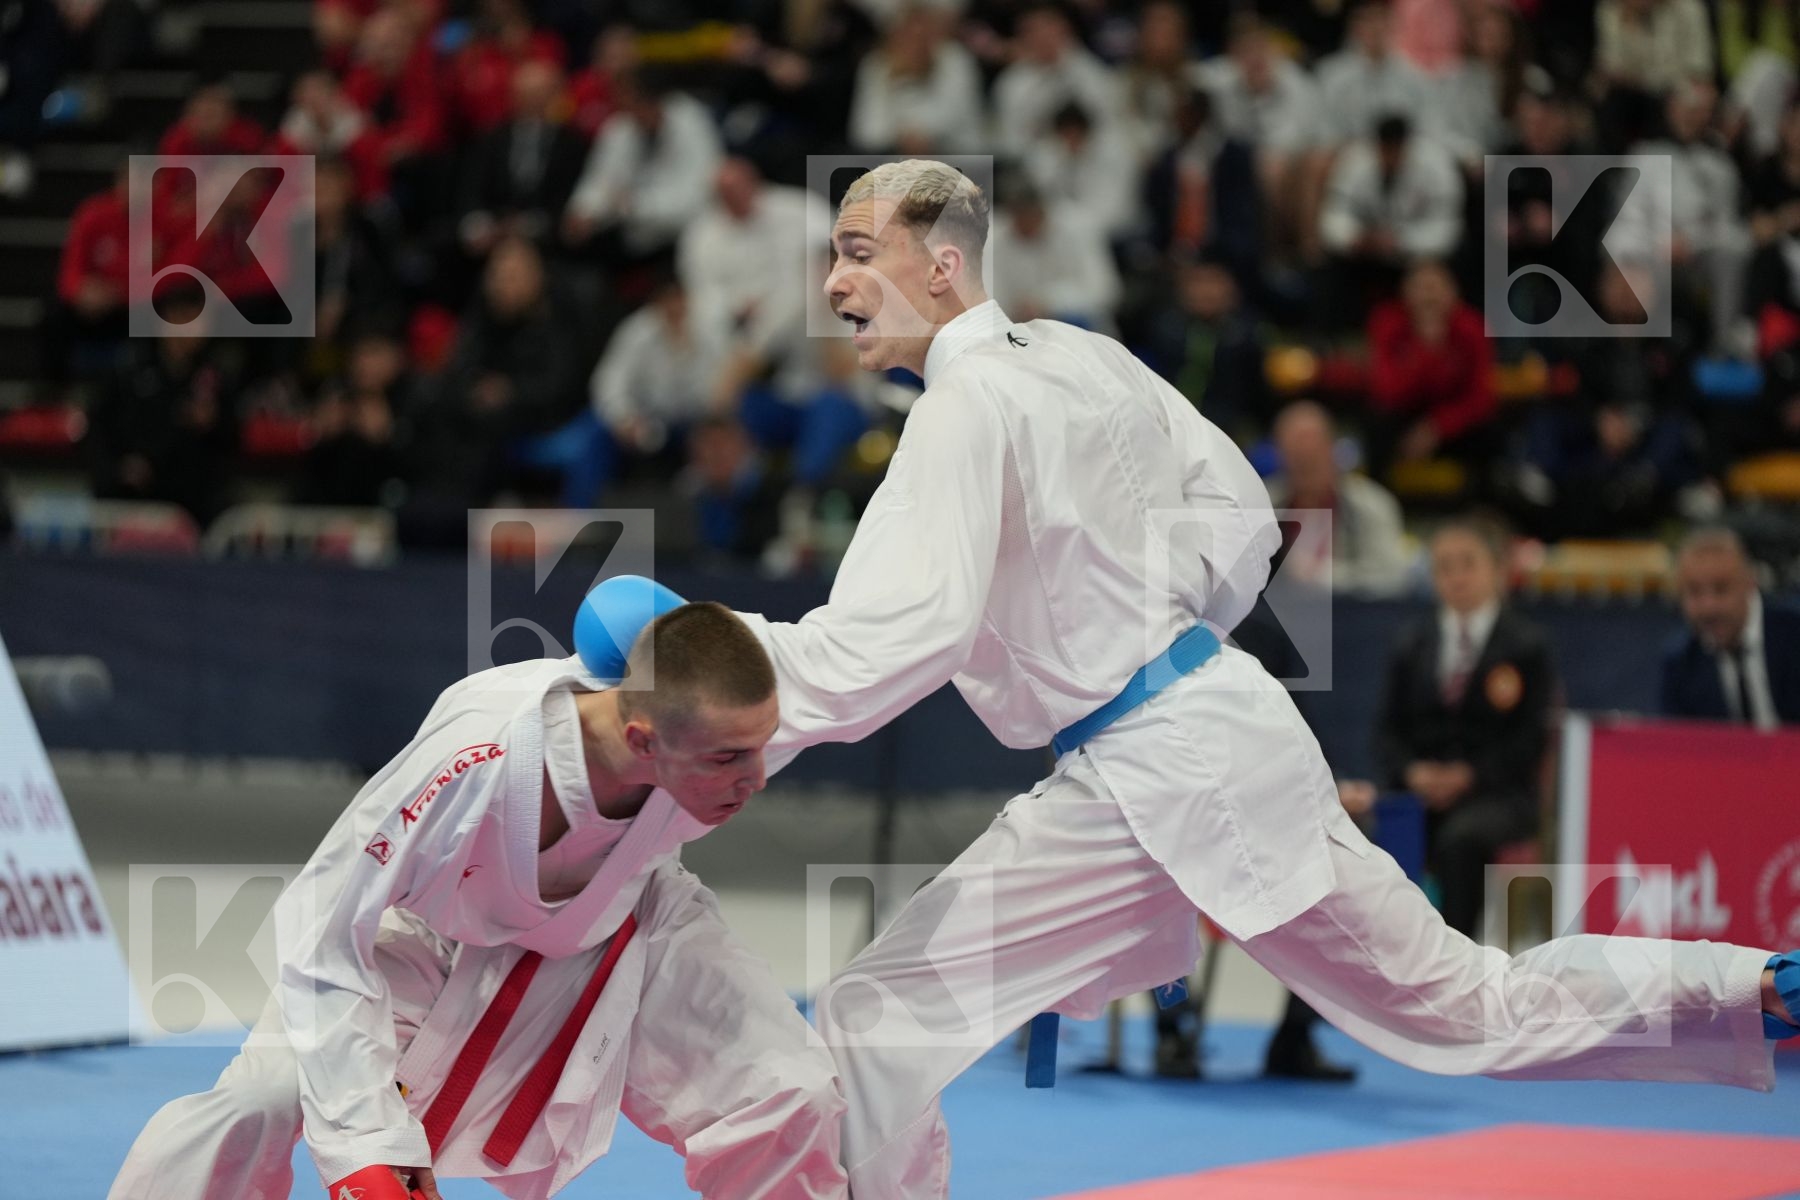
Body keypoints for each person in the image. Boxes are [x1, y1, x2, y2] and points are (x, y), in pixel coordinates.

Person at [725, 160, 1800, 1198]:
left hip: (1150, 762)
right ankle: (1757, 986)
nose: (835, 283)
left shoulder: (960, 409)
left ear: (945, 264)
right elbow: (1242, 508)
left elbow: (892, 641)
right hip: (1220, 719)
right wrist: (1167, 626)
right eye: (834, 256)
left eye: (860, 253)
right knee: (1469, 1006)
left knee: (876, 1016)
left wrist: (701, 694)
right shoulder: (1081, 355)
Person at [107, 601, 848, 1199]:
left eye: (764, 746)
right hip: (431, 938)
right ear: (641, 738)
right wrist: (365, 1150)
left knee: (792, 1091)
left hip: (631, 916)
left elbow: (877, 645)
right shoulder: (478, 756)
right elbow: (321, 927)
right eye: (727, 759)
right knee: (257, 1105)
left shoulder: (730, 704)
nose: (755, 777)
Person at [1374, 516, 1557, 938]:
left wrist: (1468, 776)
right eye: (1444, 567)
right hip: (1421, 791)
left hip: (1499, 795)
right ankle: (1360, 980)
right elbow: (1386, 732)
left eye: (1467, 564)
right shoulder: (1412, 644)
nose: (1456, 577)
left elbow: (1530, 739)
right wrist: (1412, 772)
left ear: (1496, 570)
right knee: (1362, 830)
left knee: (1461, 839)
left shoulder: (1525, 645)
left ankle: (1456, 967)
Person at [1661, 526, 1800, 727]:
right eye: (1694, 592)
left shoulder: (1795, 635)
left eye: (1721, 588)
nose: (1709, 607)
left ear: (1750, 583)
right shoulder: (1681, 663)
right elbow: (1682, 749)